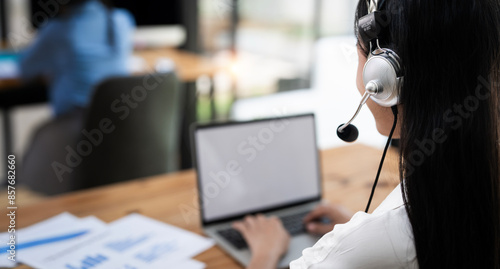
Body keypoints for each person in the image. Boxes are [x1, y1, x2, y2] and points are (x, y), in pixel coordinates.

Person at [233, 0, 500, 268]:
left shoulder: (359, 248)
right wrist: (366, 233)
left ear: (383, 76)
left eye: (360, 53)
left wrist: (265, 253)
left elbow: (393, 242)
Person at [18, 0, 135, 195]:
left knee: (24, 191)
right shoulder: (122, 21)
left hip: (71, 134)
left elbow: (24, 69)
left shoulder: (58, 30)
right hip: (121, 129)